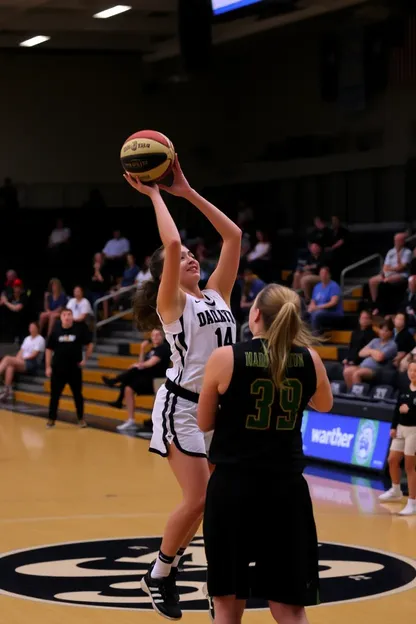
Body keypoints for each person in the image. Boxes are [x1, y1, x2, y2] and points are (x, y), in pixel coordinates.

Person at [123, 157, 241, 620]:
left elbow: (232, 237)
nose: (192, 254)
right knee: (200, 499)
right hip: (183, 408)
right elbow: (170, 242)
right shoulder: (170, 301)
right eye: (185, 257)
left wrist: (188, 192)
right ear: (167, 274)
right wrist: (155, 193)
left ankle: (190, 577)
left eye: (196, 254)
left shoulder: (218, 294)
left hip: (220, 413)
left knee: (212, 505)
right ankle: (160, 573)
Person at [197, 284, 333, 624]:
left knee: (228, 605)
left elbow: (203, 422)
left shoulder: (226, 357)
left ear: (255, 314)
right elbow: (325, 404)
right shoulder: (310, 359)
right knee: (288, 607)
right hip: (286, 491)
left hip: (233, 489)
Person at [102, 328, 171, 432]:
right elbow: (141, 362)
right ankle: (130, 420)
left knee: (134, 370)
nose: (155, 337)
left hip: (158, 381)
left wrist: (138, 365)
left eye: (158, 335)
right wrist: (142, 349)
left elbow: (150, 363)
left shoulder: (164, 348)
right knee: (128, 388)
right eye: (153, 335)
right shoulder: (152, 350)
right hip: (147, 378)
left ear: (162, 336)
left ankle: (115, 383)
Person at [379, 360, 416, 516]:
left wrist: (411, 410)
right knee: (392, 460)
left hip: (414, 430)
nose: (412, 373)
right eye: (410, 370)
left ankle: (413, 502)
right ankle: (395, 490)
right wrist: (393, 427)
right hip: (401, 429)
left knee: (409, 467)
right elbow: (397, 408)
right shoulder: (404, 387)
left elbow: (407, 409)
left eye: (415, 371)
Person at [45, 308, 93, 428]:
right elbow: (49, 349)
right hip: (57, 369)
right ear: (61, 317)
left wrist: (85, 359)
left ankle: (81, 419)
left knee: (78, 395)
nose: (67, 317)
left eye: (69, 314)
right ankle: (51, 419)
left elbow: (90, 344)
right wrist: (47, 366)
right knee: (54, 396)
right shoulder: (55, 330)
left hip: (74, 369)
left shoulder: (79, 328)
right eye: (64, 315)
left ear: (72, 316)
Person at [343, 320, 397, 389]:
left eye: (386, 331)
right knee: (347, 371)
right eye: (381, 330)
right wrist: (373, 352)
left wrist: (369, 352)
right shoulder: (375, 341)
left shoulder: (392, 345)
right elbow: (361, 353)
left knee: (357, 374)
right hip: (362, 366)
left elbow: (380, 357)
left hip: (376, 370)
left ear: (390, 332)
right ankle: (350, 393)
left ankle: (358, 396)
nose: (383, 332)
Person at [0, 322, 45, 401]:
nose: (31, 329)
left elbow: (34, 354)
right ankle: (7, 390)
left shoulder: (40, 339)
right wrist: (17, 359)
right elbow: (21, 351)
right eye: (30, 327)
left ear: (37, 328)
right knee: (10, 366)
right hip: (22, 361)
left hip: (32, 362)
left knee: (7, 358)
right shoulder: (27, 338)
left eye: (33, 327)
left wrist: (21, 359)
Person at [307, 266, 343, 333]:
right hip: (319, 310)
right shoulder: (317, 286)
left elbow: (333, 302)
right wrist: (311, 307)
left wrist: (317, 307)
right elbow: (313, 301)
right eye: (321, 273)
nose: (323, 275)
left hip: (333, 312)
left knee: (316, 314)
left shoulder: (334, 286)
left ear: (329, 275)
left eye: (325, 273)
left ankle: (315, 338)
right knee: (305, 313)